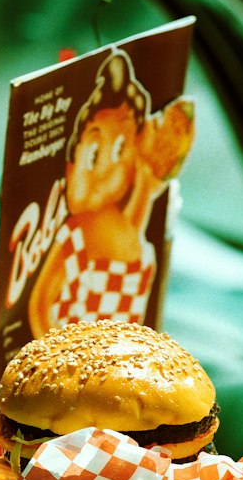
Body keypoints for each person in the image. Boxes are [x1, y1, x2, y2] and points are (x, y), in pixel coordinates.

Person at [28, 49, 194, 335]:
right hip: (63, 369)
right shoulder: (75, 235)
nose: (104, 171)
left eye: (120, 150)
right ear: (70, 166)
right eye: (93, 154)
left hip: (120, 372)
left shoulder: (142, 250)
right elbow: (41, 307)